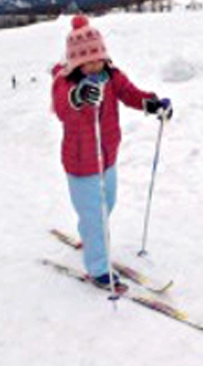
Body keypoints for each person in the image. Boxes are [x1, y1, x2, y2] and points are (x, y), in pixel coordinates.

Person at [51, 15, 172, 291]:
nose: (94, 65)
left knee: (108, 203)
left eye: (98, 58)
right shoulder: (66, 83)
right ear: (75, 63)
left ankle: (89, 234)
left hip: (107, 159)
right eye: (86, 61)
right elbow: (62, 107)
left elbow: (131, 94)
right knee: (95, 215)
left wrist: (152, 104)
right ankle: (98, 268)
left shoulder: (111, 77)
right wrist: (78, 96)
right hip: (80, 165)